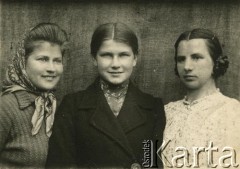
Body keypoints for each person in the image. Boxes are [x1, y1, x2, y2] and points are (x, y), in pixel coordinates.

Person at [46, 22, 166, 169]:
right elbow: (59, 164)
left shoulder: (152, 107)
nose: (115, 64)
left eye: (123, 55)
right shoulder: (73, 106)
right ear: (94, 58)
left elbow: (152, 163)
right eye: (107, 55)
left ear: (134, 58)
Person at [162, 28, 240, 169]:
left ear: (215, 62)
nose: (187, 67)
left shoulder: (233, 112)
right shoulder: (166, 112)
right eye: (181, 59)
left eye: (196, 57)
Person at [0, 23, 68, 168]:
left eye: (57, 60)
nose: (51, 68)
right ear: (23, 61)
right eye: (43, 59)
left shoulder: (51, 106)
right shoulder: (5, 107)